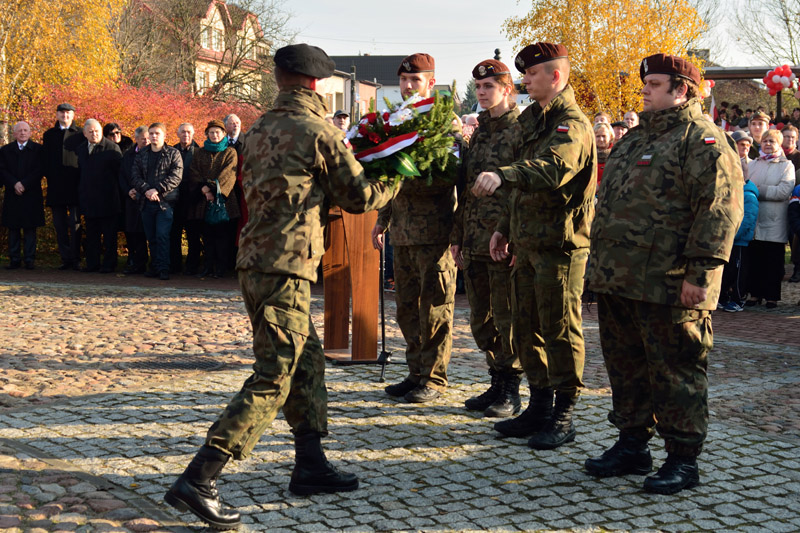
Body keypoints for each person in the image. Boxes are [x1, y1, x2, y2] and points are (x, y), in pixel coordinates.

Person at [163, 43, 396, 530]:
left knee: (306, 361)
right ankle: (200, 478)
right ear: (317, 83)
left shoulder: (258, 128)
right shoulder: (317, 132)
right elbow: (359, 197)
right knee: (275, 373)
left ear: (280, 77)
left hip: (255, 261)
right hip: (286, 267)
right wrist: (399, 175)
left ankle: (309, 464)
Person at [584, 54, 743, 494]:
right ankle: (633, 444)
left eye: (654, 84)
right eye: (645, 84)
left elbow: (718, 212)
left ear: (682, 90)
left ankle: (683, 459)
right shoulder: (635, 139)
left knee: (677, 371)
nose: (645, 91)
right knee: (626, 366)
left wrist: (702, 274)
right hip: (621, 278)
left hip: (670, 282)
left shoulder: (702, 140)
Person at [472, 42, 596, 450]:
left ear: (555, 77)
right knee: (527, 327)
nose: (524, 80)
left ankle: (564, 412)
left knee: (559, 329)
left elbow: (552, 168)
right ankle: (539, 406)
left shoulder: (570, 124)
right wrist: (504, 228)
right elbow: (523, 187)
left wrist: (503, 174)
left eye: (532, 74)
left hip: (559, 246)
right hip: (526, 241)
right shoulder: (533, 119)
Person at [372, 52, 458, 403]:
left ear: (430, 84)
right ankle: (415, 372)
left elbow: (448, 177)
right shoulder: (396, 120)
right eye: (404, 80)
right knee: (406, 307)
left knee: (435, 307)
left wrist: (406, 172)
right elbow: (389, 177)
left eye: (415, 80)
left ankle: (434, 379)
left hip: (435, 231)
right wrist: (382, 218)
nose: (408, 86)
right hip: (403, 232)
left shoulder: (444, 123)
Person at [451, 59, 523, 418]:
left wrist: (511, 235)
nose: (481, 93)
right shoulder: (479, 131)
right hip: (475, 237)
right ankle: (495, 382)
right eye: (478, 88)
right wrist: (458, 236)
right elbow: (466, 188)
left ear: (506, 89)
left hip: (501, 239)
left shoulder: (520, 130)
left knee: (506, 316)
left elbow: (523, 189)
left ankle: (511, 389)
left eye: (489, 87)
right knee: (481, 318)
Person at [744, 128, 794, 309]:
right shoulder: (754, 164)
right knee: (755, 259)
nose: (767, 144)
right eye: (765, 141)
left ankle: (771, 296)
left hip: (774, 221)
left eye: (772, 141)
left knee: (772, 262)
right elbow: (745, 186)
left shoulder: (786, 166)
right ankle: (754, 294)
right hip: (756, 219)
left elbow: (783, 191)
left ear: (779, 144)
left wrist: (759, 190)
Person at [185, 120, 239, 279]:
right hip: (203, 201)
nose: (214, 135)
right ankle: (207, 266)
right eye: (211, 132)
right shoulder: (200, 152)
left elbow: (229, 174)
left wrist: (213, 189)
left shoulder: (230, 152)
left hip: (224, 201)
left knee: (222, 236)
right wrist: (203, 189)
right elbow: (194, 171)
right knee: (207, 236)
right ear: (206, 134)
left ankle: (221, 267)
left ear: (223, 134)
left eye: (218, 132)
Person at [130, 123, 183, 280]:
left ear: (164, 135)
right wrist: (146, 190)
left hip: (165, 202)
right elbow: (135, 176)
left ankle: (163, 268)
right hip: (146, 202)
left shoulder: (174, 153)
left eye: (157, 133)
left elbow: (176, 177)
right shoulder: (141, 154)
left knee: (162, 235)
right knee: (151, 237)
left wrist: (157, 190)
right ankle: (154, 266)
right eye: (151, 133)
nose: (154, 136)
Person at [76, 119, 123, 273]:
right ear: (84, 133)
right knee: (92, 235)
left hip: (108, 199)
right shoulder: (82, 149)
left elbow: (120, 174)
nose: (94, 134)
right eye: (90, 131)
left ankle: (109, 265)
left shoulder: (112, 148)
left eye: (96, 131)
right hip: (89, 200)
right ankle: (92, 264)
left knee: (109, 236)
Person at [42, 103, 82, 270]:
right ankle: (65, 258)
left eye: (68, 113)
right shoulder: (49, 135)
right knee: (59, 225)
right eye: (62, 113)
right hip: (56, 186)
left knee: (75, 224)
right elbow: (45, 160)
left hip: (75, 186)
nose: (65, 116)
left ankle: (76, 258)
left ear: (73, 115)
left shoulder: (80, 134)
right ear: (57, 115)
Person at [0, 122, 44, 269]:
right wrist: (14, 183)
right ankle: (14, 258)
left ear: (30, 133)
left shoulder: (38, 150)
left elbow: (40, 170)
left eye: (25, 130)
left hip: (31, 193)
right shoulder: (5, 150)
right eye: (20, 131)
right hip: (13, 193)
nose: (23, 133)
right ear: (14, 133)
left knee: (30, 228)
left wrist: (24, 183)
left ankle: (30, 259)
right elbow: (2, 170)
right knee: (13, 227)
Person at [719, 173, 759, 312]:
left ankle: (738, 299)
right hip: (729, 239)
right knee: (727, 270)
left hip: (740, 241)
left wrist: (733, 235)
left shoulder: (748, 195)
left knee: (738, 272)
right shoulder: (732, 193)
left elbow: (748, 219)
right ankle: (723, 297)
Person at [171, 123, 201, 275]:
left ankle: (192, 266)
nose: (186, 135)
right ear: (178, 133)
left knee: (193, 235)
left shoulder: (199, 152)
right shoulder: (171, 151)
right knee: (174, 234)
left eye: (189, 132)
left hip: (193, 199)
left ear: (193, 133)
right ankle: (175, 265)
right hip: (175, 200)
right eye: (183, 132)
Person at [118, 126, 150, 275]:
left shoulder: (156, 153)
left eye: (149, 138)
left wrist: (142, 190)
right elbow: (122, 176)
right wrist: (128, 190)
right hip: (130, 200)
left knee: (145, 232)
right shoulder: (128, 155)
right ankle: (133, 260)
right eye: (143, 138)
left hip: (148, 198)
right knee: (131, 232)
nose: (147, 141)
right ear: (136, 139)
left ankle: (144, 262)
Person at [780, 125, 800, 282]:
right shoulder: (776, 155)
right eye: (787, 136)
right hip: (779, 203)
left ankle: (797, 268)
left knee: (794, 236)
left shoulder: (799, 157)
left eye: (793, 137)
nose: (790, 139)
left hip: (794, 201)